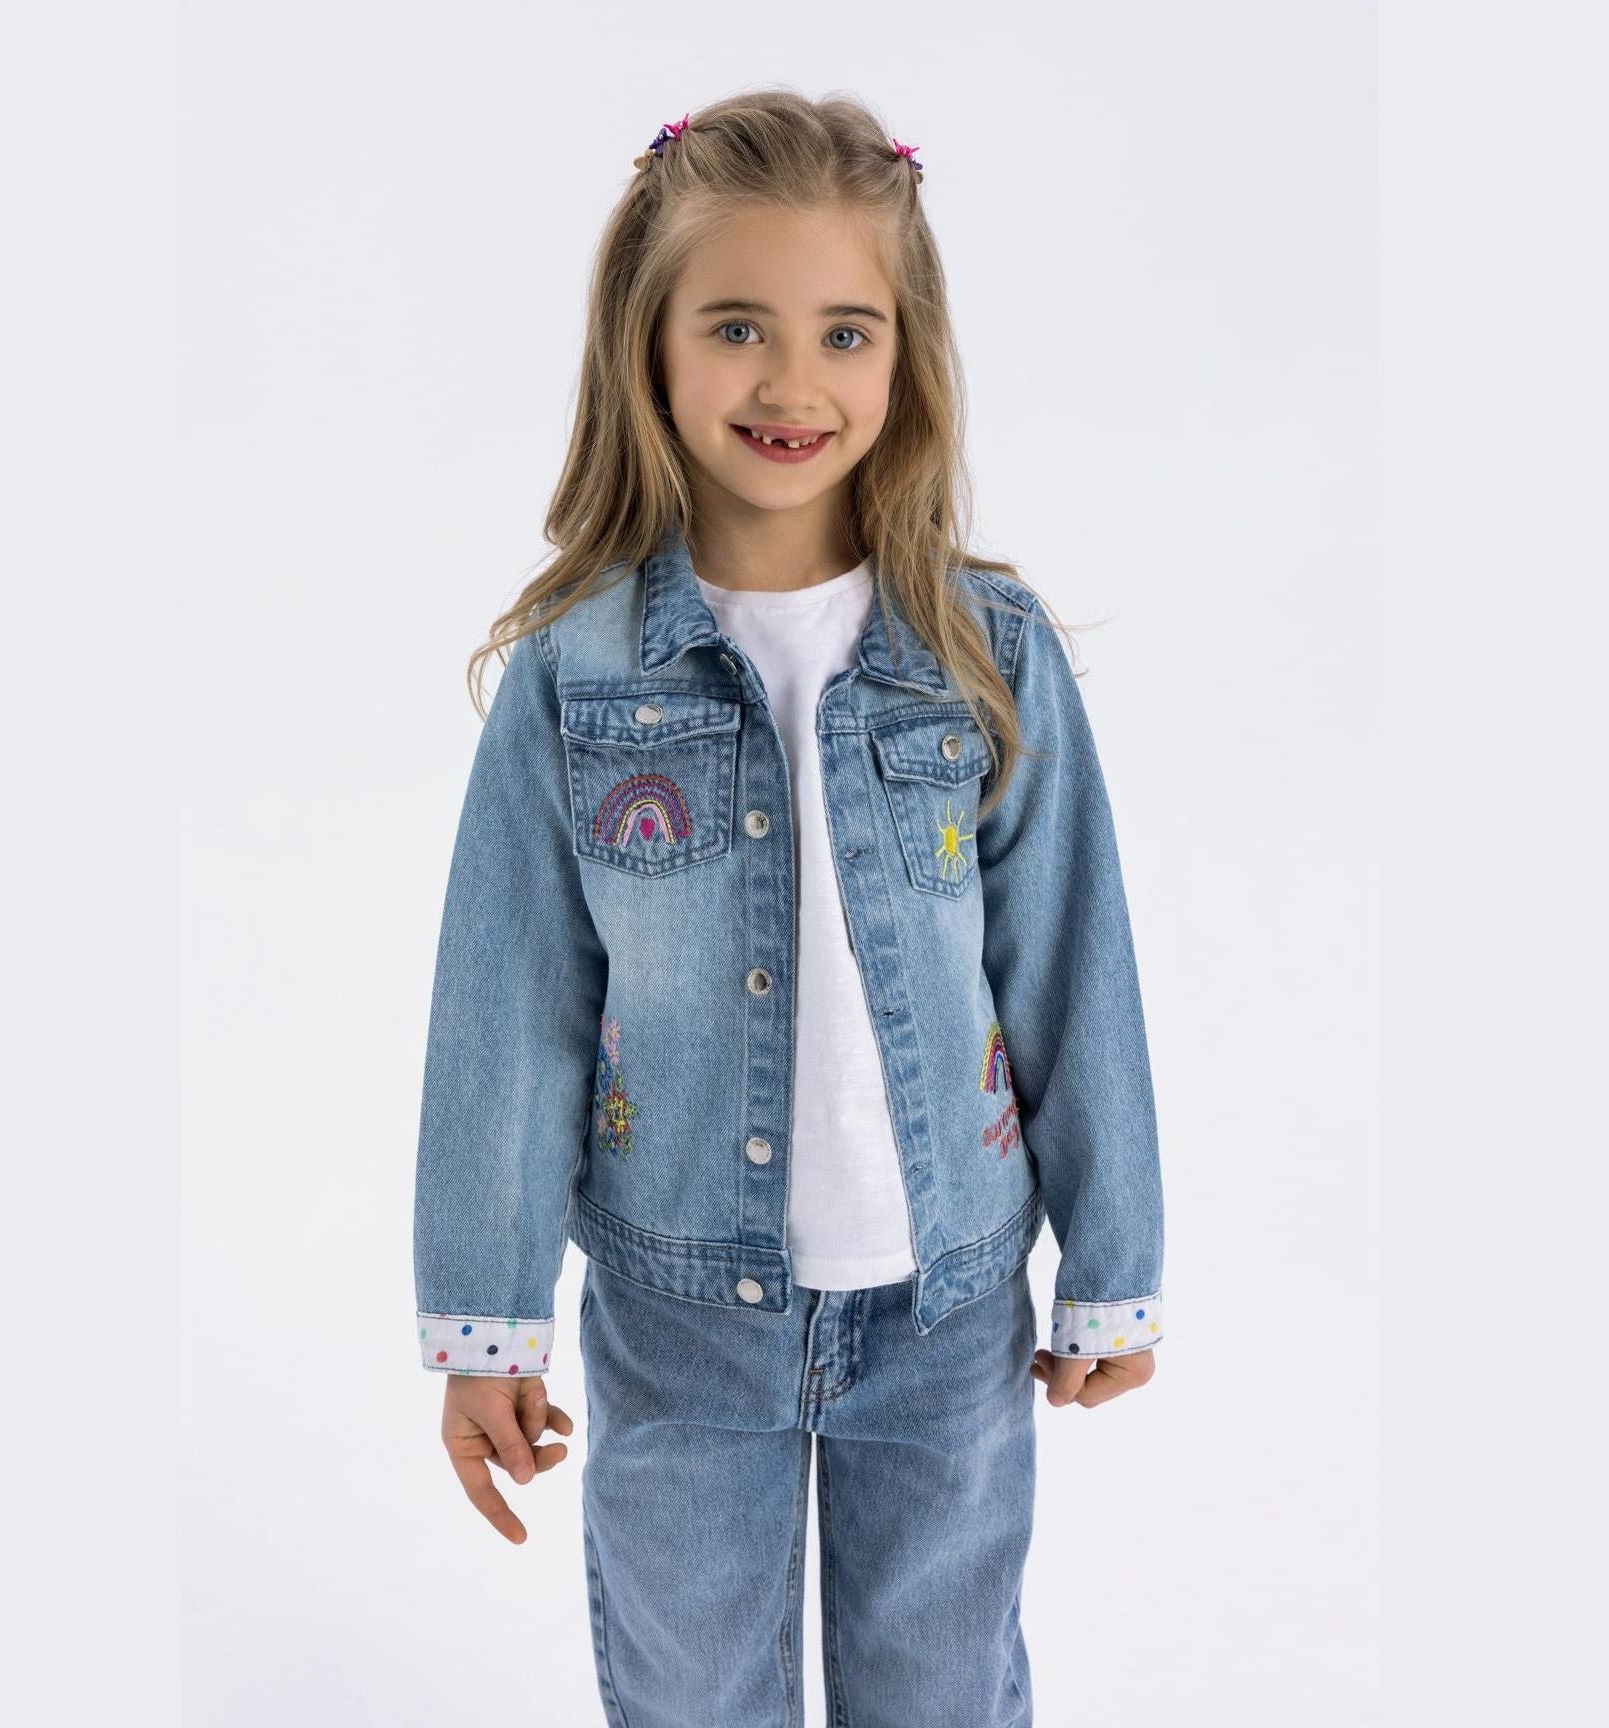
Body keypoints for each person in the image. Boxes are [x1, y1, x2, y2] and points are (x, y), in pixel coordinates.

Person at [412, 87, 1166, 1726]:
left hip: (949, 1310)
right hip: (683, 1319)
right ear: (652, 343)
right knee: (689, 1696)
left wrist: (1114, 1260)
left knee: (941, 1688)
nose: (793, 382)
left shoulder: (986, 652)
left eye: (845, 333)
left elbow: (1069, 968)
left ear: (906, 359)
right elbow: (512, 1009)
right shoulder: (576, 676)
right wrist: (487, 1322)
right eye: (738, 325)